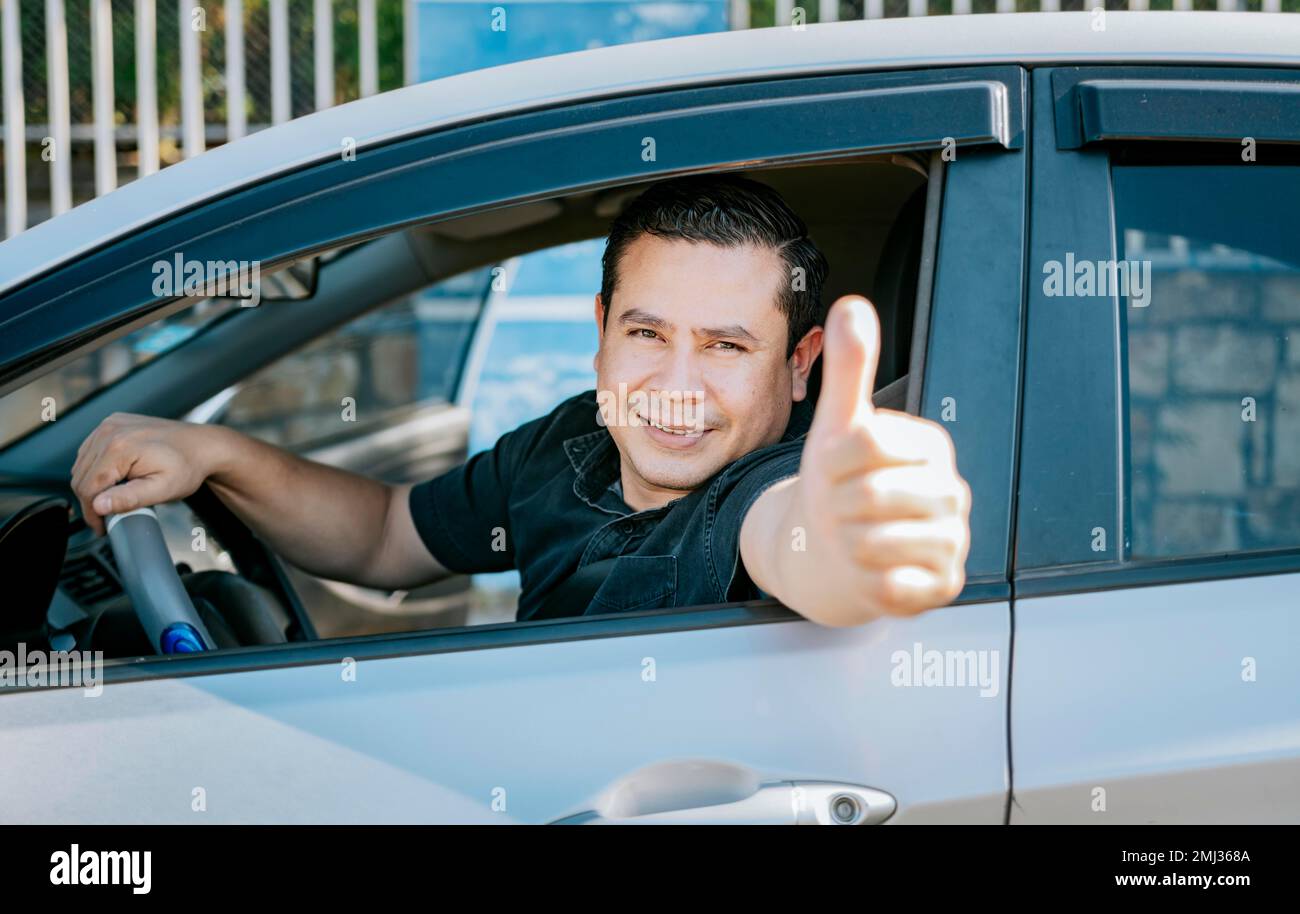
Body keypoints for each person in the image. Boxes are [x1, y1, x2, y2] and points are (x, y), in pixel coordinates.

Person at [72, 175, 970, 627]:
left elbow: (798, 537)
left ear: (802, 363)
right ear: (602, 326)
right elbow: (387, 533)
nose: (675, 389)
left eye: (728, 348)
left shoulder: (770, 485)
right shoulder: (574, 441)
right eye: (648, 334)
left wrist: (855, 540)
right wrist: (218, 454)